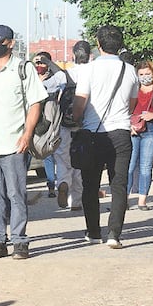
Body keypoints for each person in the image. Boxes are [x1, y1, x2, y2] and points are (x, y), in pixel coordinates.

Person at [0, 25, 48, 260]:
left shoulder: (23, 69)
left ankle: (20, 240)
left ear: (10, 43)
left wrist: (26, 135)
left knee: (16, 194)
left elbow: (36, 104)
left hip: (14, 145)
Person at [72, 25, 138, 249]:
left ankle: (93, 232)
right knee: (119, 184)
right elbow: (132, 104)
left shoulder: (88, 70)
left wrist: (77, 117)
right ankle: (114, 235)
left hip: (93, 134)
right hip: (121, 133)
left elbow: (80, 103)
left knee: (90, 185)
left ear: (98, 45)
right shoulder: (129, 70)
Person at [54, 40, 91, 210]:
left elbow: (47, 89)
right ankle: (76, 201)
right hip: (87, 123)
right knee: (82, 162)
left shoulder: (65, 74)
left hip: (65, 123)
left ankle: (62, 183)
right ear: (90, 55)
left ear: (73, 55)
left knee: (63, 158)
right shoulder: (93, 72)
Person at [127, 60, 153, 210]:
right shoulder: (133, 90)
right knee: (128, 166)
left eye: (147, 74)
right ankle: (124, 201)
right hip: (133, 130)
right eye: (141, 74)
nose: (144, 77)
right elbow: (125, 109)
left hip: (152, 131)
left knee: (145, 167)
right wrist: (129, 125)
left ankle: (142, 201)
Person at [32, 51, 67, 199]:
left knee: (50, 153)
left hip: (49, 119)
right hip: (34, 120)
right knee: (36, 154)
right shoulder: (31, 79)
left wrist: (50, 63)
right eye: (37, 63)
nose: (39, 65)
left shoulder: (55, 79)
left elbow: (63, 77)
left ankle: (53, 185)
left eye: (42, 62)